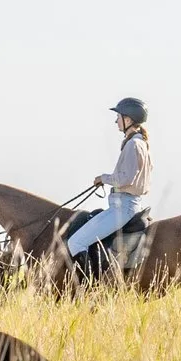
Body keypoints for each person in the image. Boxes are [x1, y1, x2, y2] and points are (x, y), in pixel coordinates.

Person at [66, 98, 153, 272]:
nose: (116, 121)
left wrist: (103, 178)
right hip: (127, 204)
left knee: (75, 242)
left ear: (127, 120)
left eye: (118, 117)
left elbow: (125, 179)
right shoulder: (139, 143)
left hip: (123, 207)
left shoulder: (134, 144)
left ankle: (88, 286)